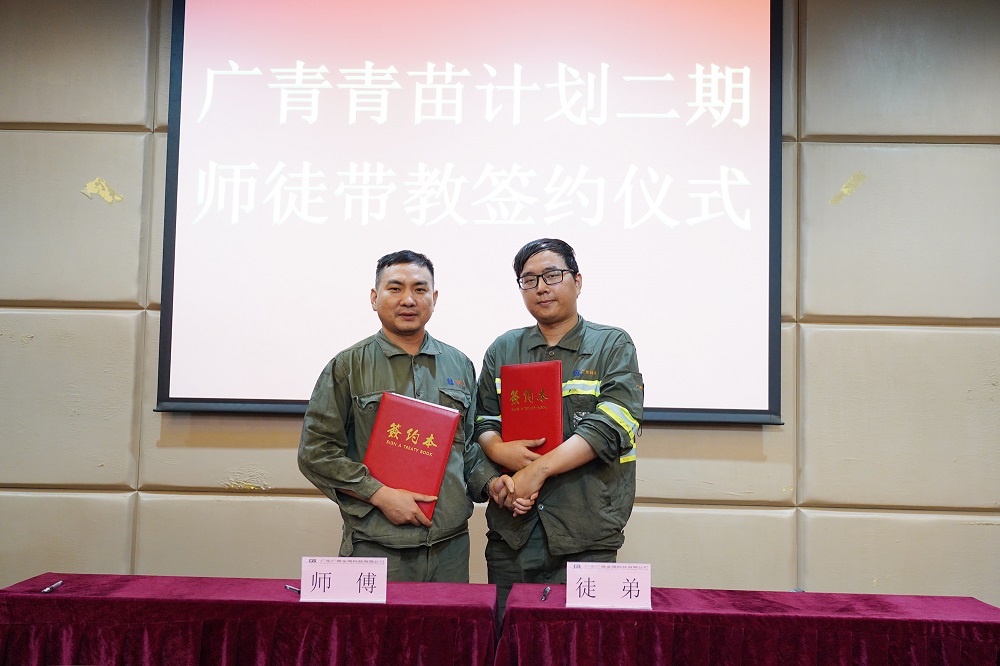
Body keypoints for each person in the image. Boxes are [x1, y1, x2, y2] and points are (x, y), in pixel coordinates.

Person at [298, 249, 513, 583]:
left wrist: (491, 482)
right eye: (395, 288)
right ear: (374, 298)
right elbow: (316, 452)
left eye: (420, 289)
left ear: (434, 298)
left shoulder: (459, 365)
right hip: (377, 544)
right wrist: (380, 494)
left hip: (449, 546)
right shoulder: (347, 366)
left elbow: (467, 447)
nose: (408, 300)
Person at [475, 238, 644, 617]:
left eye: (553, 275)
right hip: (513, 533)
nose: (541, 287)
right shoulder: (503, 349)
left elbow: (613, 424)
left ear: (577, 281)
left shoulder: (611, 345)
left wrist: (537, 470)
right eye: (529, 279)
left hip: (586, 533)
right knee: (509, 640)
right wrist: (498, 462)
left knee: (582, 642)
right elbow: (483, 422)